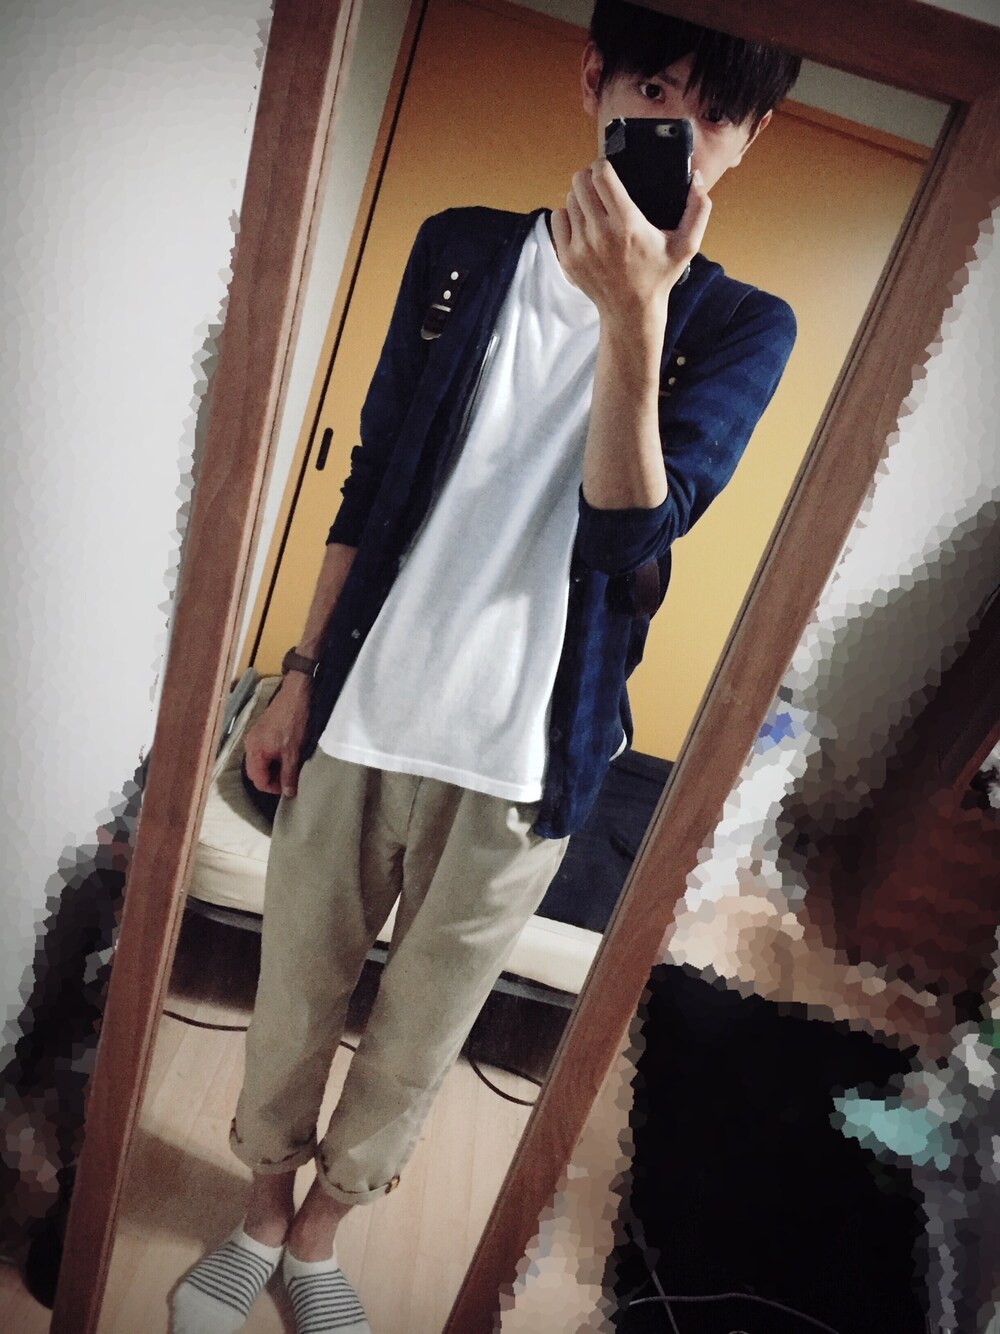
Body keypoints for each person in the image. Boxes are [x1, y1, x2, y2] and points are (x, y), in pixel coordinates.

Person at [170, 4, 800, 1331]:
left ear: (752, 137)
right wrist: (298, 674)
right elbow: (368, 482)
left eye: (717, 116)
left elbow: (630, 532)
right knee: (291, 997)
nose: (682, 136)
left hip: (527, 755)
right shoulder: (459, 250)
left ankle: (319, 1243)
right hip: (362, 707)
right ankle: (259, 1216)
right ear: (596, 78)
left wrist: (637, 310)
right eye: (656, 93)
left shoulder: (746, 325)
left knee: (420, 1032)